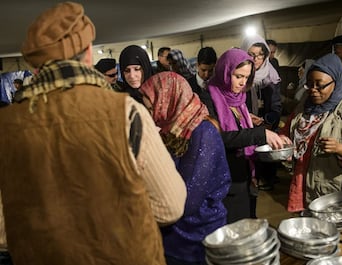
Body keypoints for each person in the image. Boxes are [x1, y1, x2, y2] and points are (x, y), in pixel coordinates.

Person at [0, 2, 187, 264]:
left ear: (36, 64)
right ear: (88, 54)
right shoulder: (125, 113)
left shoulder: (6, 124)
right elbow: (170, 206)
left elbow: (3, 233)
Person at [140, 71, 231, 265]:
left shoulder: (203, 133)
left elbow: (188, 201)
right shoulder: (171, 129)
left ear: (168, 100)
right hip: (173, 236)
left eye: (151, 106)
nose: (149, 113)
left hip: (197, 239)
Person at [279, 53, 342, 213]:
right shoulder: (304, 107)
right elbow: (287, 132)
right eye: (309, 84)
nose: (313, 90)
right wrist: (281, 144)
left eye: (320, 85)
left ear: (337, 81)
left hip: (334, 191)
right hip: (303, 182)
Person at [206, 48, 291, 223]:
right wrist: (259, 134)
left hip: (244, 176)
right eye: (238, 76)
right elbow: (219, 139)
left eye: (247, 78)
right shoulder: (208, 99)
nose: (242, 83)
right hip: (224, 179)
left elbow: (241, 131)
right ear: (225, 71)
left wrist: (273, 140)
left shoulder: (238, 99)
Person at [241, 34, 283, 192]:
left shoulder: (271, 76)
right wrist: (246, 117)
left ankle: (267, 179)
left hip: (266, 123)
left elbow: (277, 105)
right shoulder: (241, 76)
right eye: (251, 54)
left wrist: (266, 120)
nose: (256, 59)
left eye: (260, 54)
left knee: (267, 152)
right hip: (245, 125)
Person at [187, 46, 217, 117]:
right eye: (203, 70)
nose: (206, 75)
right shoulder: (187, 86)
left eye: (210, 70)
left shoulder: (218, 86)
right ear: (197, 65)